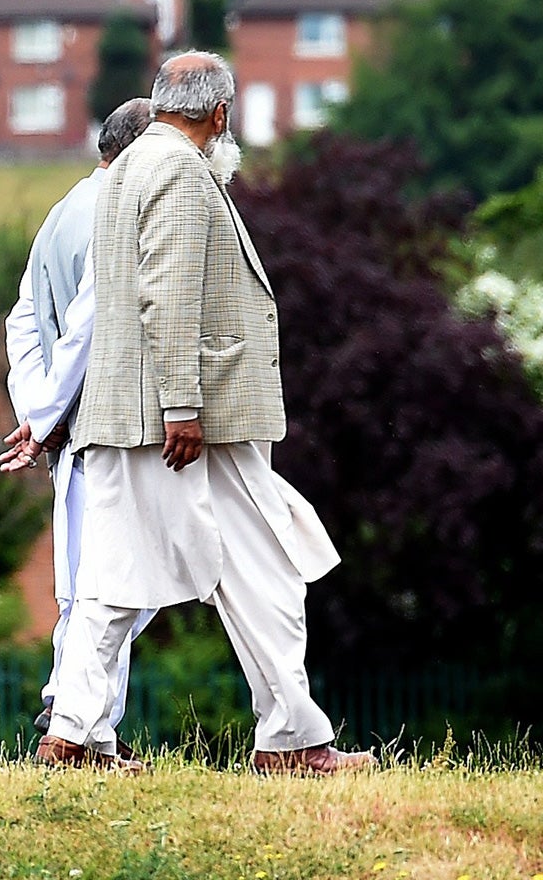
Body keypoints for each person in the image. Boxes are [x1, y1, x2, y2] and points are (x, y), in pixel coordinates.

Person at [38, 52, 371, 776]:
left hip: (128, 414)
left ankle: (72, 734)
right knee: (267, 572)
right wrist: (183, 407)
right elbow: (170, 291)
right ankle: (291, 742)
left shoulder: (123, 168)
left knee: (113, 579)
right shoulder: (183, 172)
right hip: (192, 423)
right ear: (220, 114)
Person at [0, 97, 155, 743]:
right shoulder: (125, 216)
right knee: (121, 587)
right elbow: (91, 329)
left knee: (91, 588)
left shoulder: (63, 212)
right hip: (116, 429)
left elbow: (24, 323)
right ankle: (74, 710)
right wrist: (49, 418)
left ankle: (80, 721)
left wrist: (39, 412)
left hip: (74, 433)